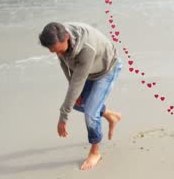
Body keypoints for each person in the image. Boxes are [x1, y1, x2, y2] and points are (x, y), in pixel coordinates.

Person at [39, 22, 123, 170]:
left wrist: (62, 117)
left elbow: (78, 82)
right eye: (53, 52)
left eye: (58, 50)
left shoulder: (85, 49)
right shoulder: (58, 34)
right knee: (78, 103)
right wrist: (72, 86)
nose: (57, 54)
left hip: (106, 69)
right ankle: (110, 115)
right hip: (88, 70)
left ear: (66, 38)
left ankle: (95, 151)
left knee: (90, 113)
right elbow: (65, 64)